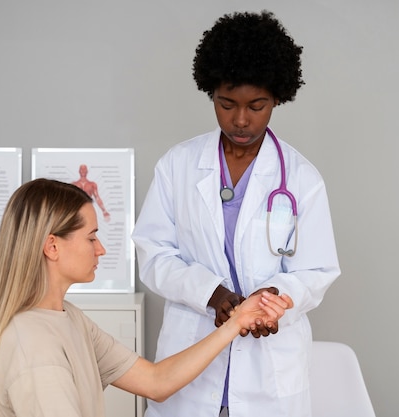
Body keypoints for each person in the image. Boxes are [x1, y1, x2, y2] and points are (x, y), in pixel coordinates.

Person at [132, 10, 340, 417]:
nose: (241, 119)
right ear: (211, 93)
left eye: (257, 106)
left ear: (278, 97)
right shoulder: (178, 165)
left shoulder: (301, 178)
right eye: (227, 104)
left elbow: (316, 271)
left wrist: (275, 301)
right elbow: (153, 253)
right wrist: (211, 294)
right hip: (190, 359)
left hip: (269, 372)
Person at [0, 178, 293, 417]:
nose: (101, 249)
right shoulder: (33, 345)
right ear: (52, 246)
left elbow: (156, 381)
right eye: (91, 238)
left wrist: (236, 322)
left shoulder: (67, 318)